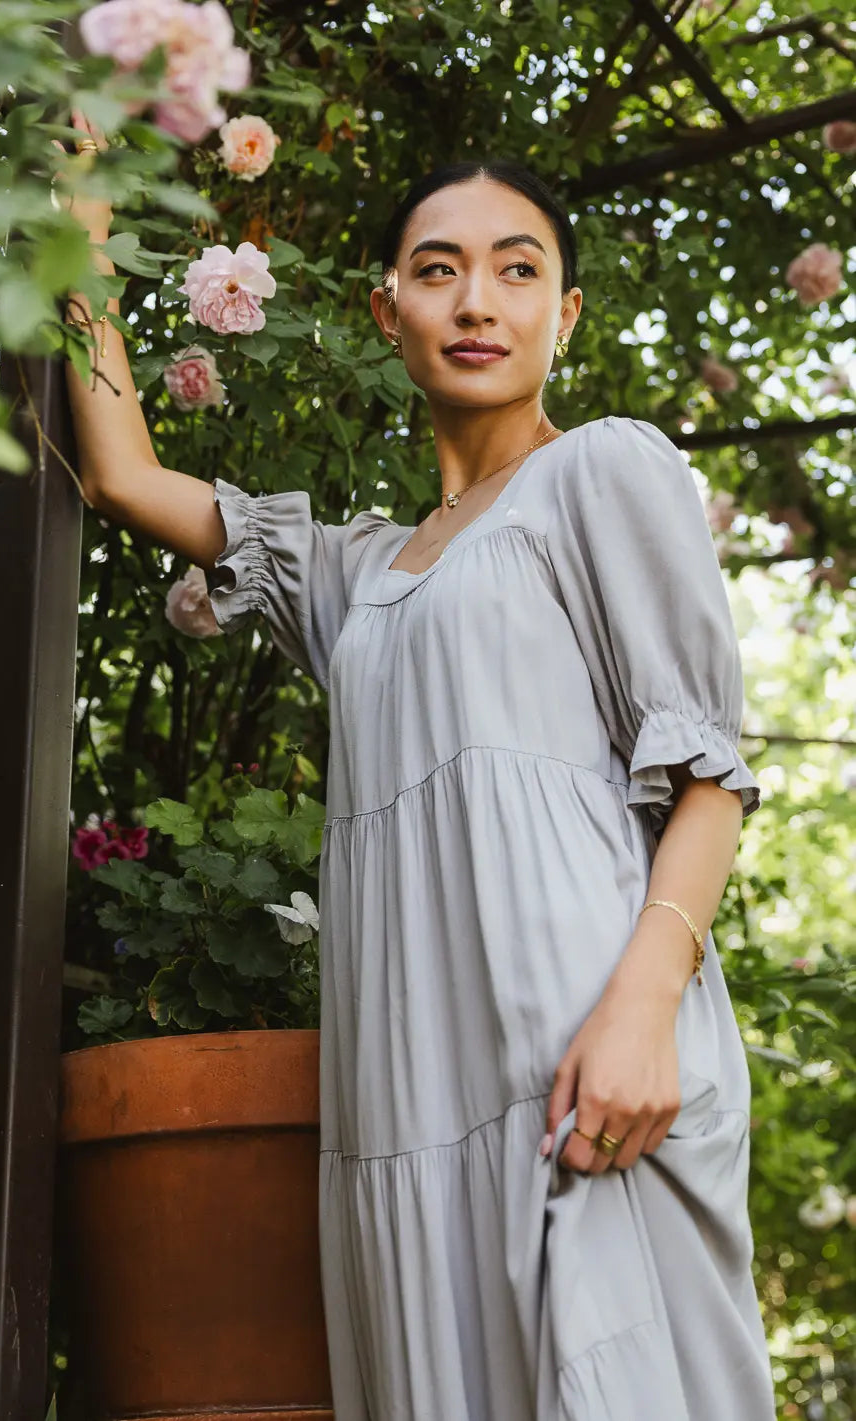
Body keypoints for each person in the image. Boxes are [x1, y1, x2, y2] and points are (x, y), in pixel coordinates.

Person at [59, 117, 777, 1420]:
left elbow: (709, 774)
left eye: (517, 269)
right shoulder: (355, 576)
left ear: (565, 314)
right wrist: (77, 242)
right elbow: (121, 475)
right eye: (439, 269)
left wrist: (640, 1010)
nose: (477, 299)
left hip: (586, 1068)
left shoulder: (603, 474)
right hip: (404, 1098)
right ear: (390, 315)